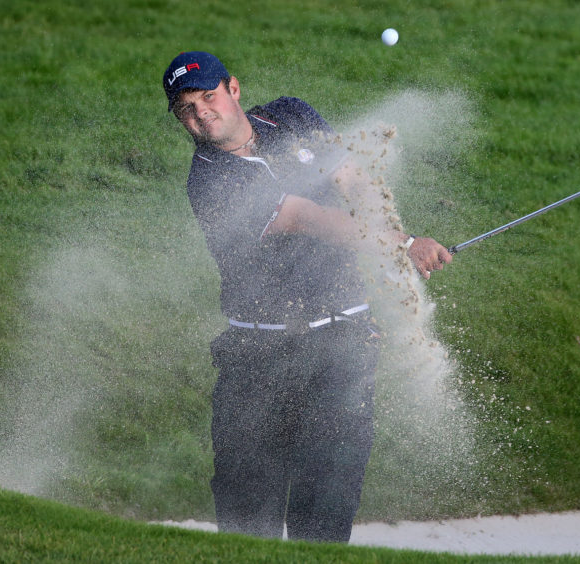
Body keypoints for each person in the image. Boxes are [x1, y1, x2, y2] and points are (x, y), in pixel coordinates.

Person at [162, 51, 452, 543]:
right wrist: (401, 246)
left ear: (233, 89)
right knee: (246, 520)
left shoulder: (292, 115)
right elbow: (303, 217)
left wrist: (391, 241)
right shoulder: (210, 180)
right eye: (185, 108)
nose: (201, 113)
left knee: (327, 508)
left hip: (344, 347)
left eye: (208, 97)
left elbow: (355, 181)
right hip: (260, 358)